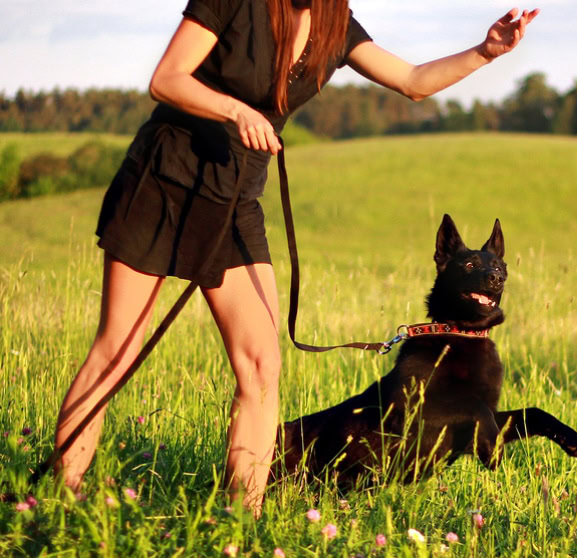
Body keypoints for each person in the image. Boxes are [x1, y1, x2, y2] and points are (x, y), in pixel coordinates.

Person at [53, 0, 539, 515]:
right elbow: (168, 79)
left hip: (236, 200)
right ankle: (62, 498)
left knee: (262, 367)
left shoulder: (336, 26)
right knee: (118, 350)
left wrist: (486, 52)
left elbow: (413, 81)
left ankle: (243, 518)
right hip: (165, 182)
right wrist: (236, 109)